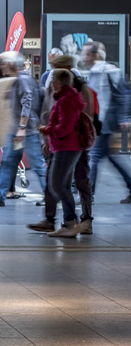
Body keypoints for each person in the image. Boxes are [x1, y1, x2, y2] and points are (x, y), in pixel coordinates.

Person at [27, 68, 88, 238]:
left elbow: (65, 127)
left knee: (56, 185)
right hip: (66, 147)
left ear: (59, 82)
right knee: (63, 185)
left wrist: (47, 130)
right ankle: (70, 223)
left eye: (53, 79)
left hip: (66, 147)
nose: (51, 82)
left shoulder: (66, 100)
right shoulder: (68, 97)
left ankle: (71, 222)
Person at [0, 52, 47, 207]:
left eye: (4, 63)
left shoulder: (23, 79)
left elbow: (28, 102)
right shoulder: (20, 80)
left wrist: (22, 128)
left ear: (12, 64)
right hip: (18, 132)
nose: (2, 66)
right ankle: (0, 195)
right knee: (8, 161)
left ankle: (51, 196)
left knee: (37, 164)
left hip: (26, 132)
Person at [83, 41, 131, 204]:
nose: (84, 57)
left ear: (95, 55)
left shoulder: (111, 71)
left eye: (87, 54)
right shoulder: (92, 73)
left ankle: (88, 194)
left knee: (94, 156)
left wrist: (124, 118)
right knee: (109, 158)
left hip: (105, 121)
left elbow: (122, 95)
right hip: (98, 121)